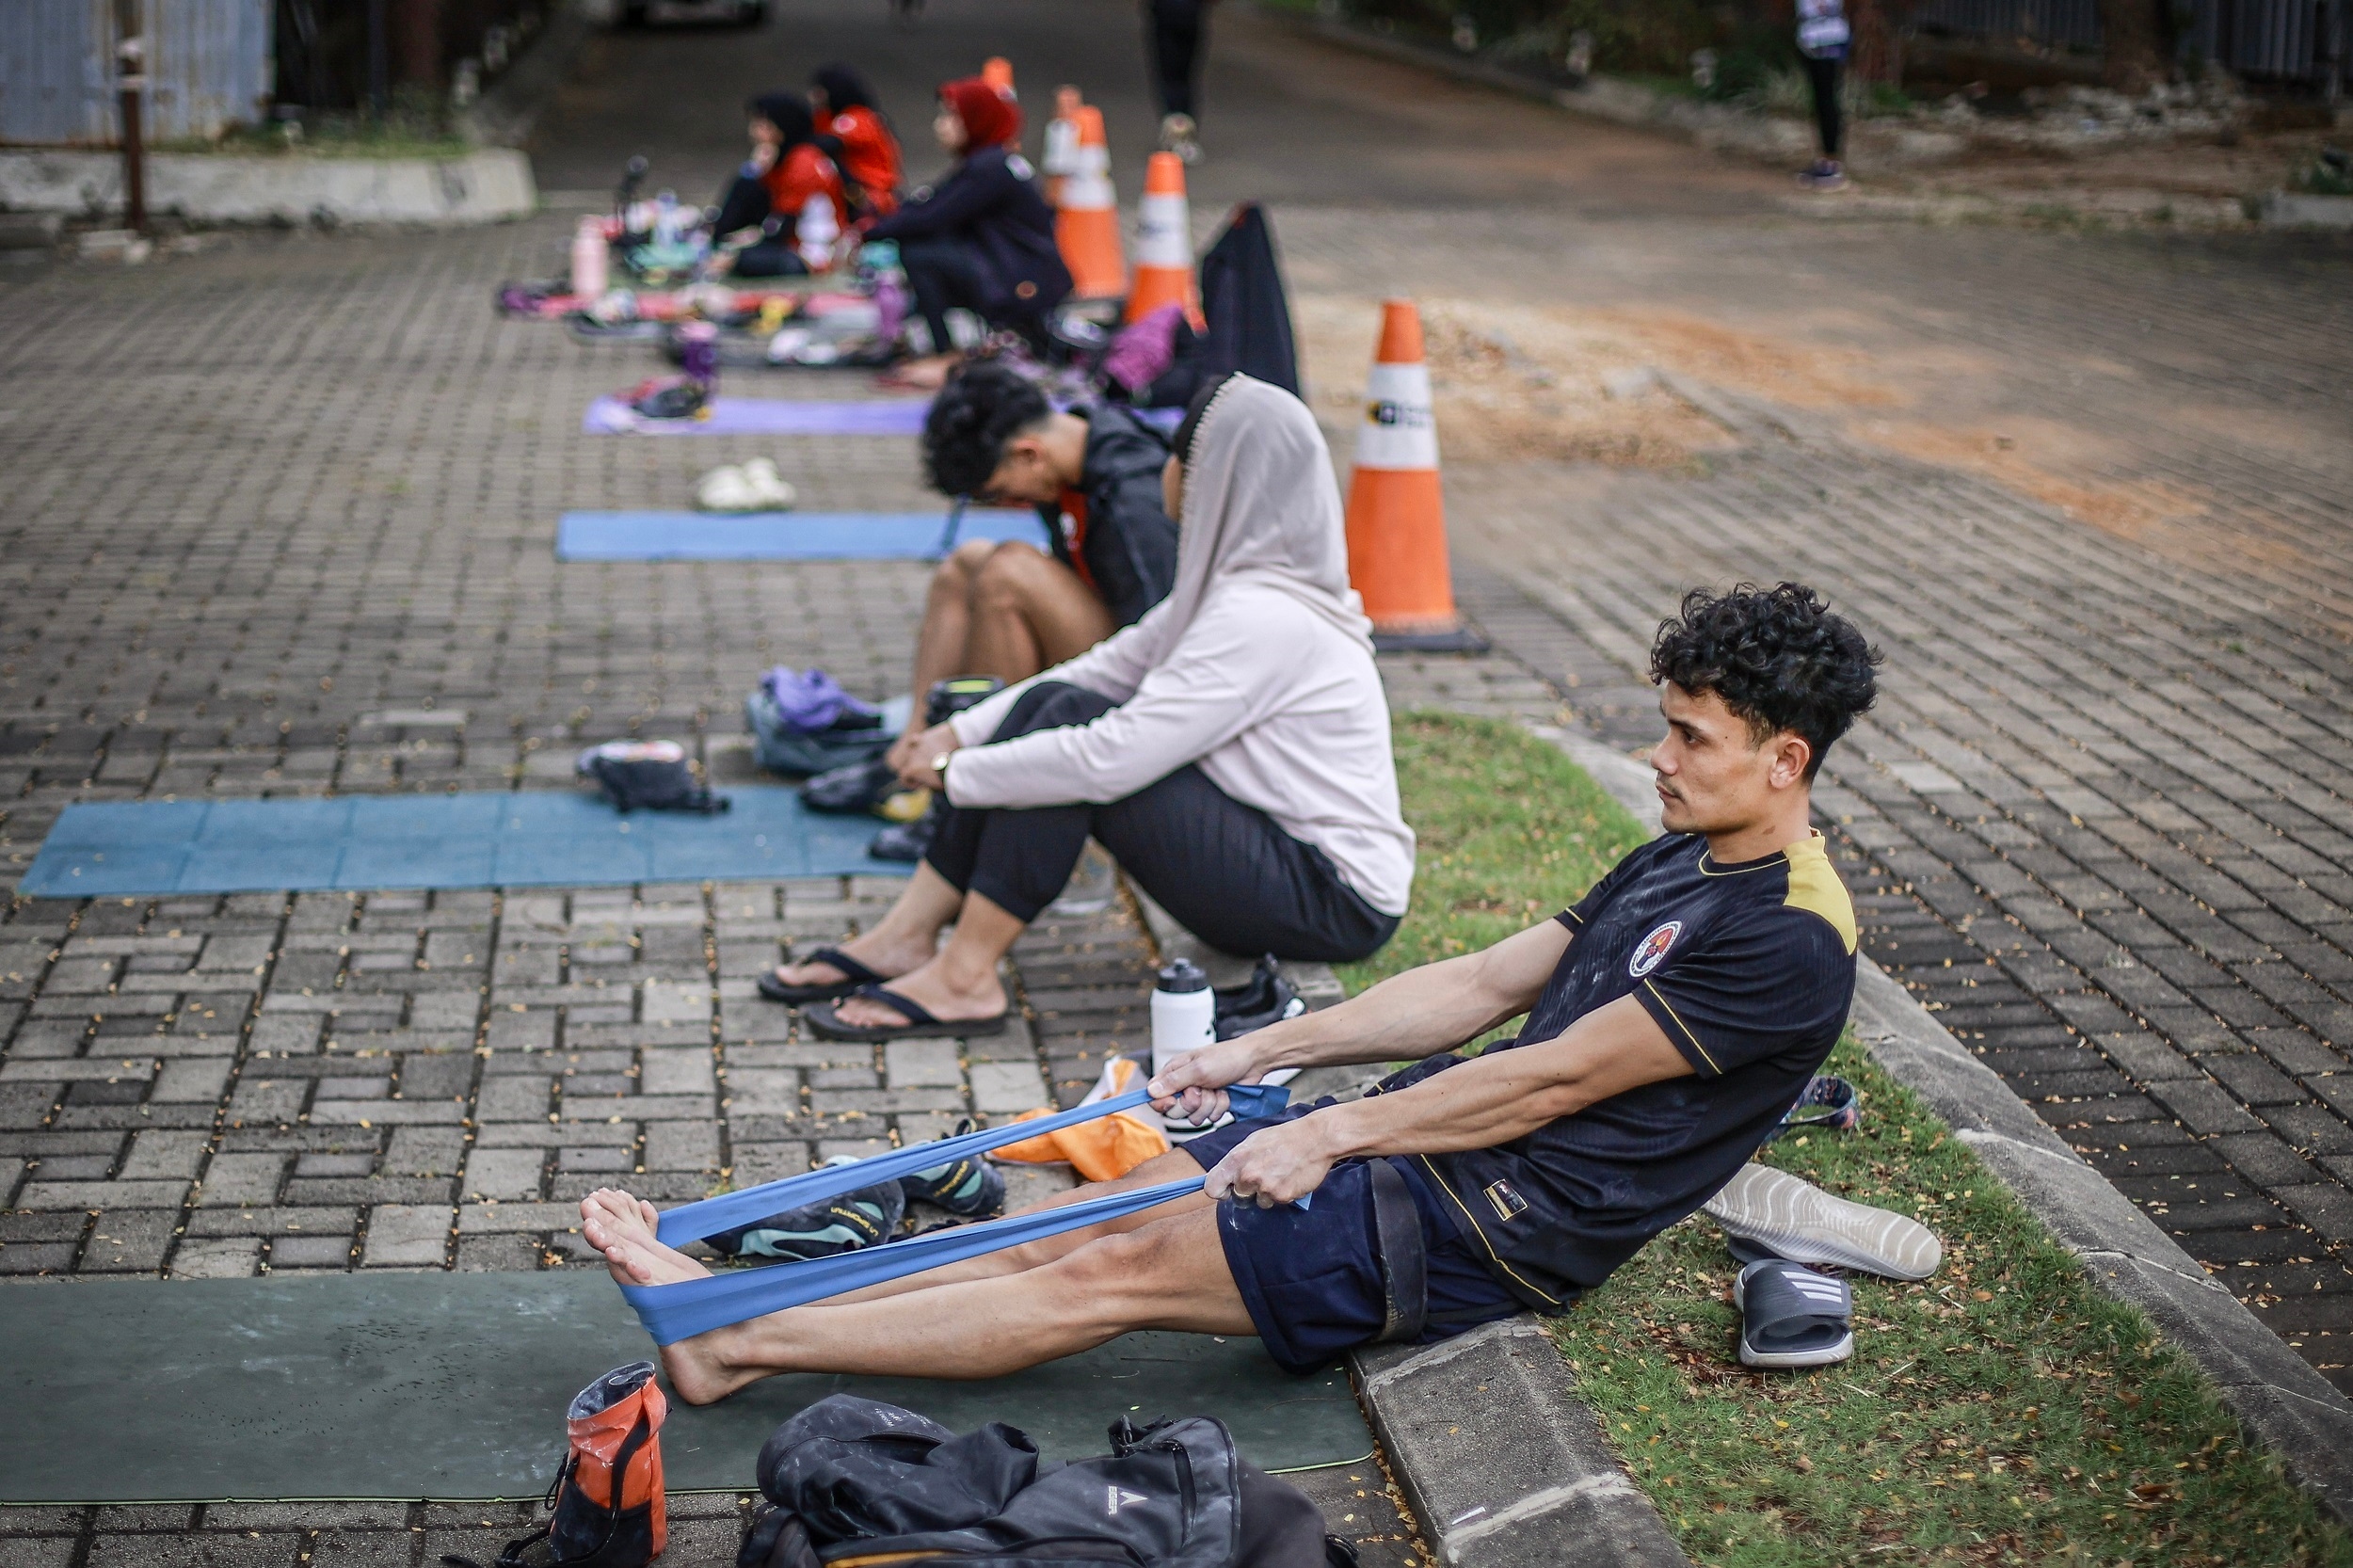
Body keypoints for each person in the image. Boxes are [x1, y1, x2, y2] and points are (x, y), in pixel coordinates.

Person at [580, 580, 1881, 1401]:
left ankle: (731, 1348)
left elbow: (1548, 1074)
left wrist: (1326, 1127)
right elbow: (1484, 983)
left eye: (1690, 737)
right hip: (1426, 1141)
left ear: (1786, 759)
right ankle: (729, 1308)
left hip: (1491, 1227)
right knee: (1070, 1217)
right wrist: (1272, 1056)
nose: (1658, 757)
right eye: (1664, 725)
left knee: (1112, 1272)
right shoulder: (1685, 851)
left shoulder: (1793, 939)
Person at [756, 374, 1409, 1036]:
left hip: (1330, 901)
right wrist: (955, 734)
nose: (1165, 474)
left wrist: (961, 773)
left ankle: (965, 977)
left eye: (1177, 459)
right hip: (1273, 852)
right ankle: (909, 934)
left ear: (1212, 477)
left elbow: (1109, 760)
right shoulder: (1234, 589)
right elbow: (1105, 664)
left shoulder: (1261, 615)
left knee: (1071, 737)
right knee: (1059, 700)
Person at [784, 359, 1184, 867]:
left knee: (1007, 574)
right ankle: (908, 755)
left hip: (1142, 682)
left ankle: (974, 792)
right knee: (966, 564)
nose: (1009, 503)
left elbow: (1170, 646)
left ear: (1028, 453)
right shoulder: (1072, 451)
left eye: (999, 492)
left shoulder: (1136, 499)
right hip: (1109, 639)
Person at [861, 76, 1071, 385]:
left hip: (1022, 285)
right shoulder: (985, 162)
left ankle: (944, 350)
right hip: (1015, 273)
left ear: (977, 119)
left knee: (919, 253)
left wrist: (869, 233)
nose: (940, 125)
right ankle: (934, 339)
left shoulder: (990, 169)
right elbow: (929, 204)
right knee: (924, 247)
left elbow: (932, 216)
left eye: (951, 116)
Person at [711, 93, 851, 277]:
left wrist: (744, 246)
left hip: (811, 253)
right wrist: (753, 171)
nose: (753, 133)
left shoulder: (803, 162)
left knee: (741, 260)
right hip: (790, 241)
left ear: (781, 129)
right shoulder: (781, 160)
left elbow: (782, 225)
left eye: (761, 126)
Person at [809, 64, 903, 218]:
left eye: (820, 91)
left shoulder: (859, 117)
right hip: (856, 191)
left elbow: (828, 144)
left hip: (872, 194)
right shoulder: (826, 117)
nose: (814, 96)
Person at [1145, 0, 1212, 162]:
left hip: (1169, 13)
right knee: (1184, 76)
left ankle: (1177, 131)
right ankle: (1183, 132)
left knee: (1171, 77)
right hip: (1190, 13)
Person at [1795, 0, 1850, 191]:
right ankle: (1826, 158)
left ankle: (1831, 162)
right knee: (1821, 101)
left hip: (1825, 38)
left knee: (1827, 101)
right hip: (1814, 38)